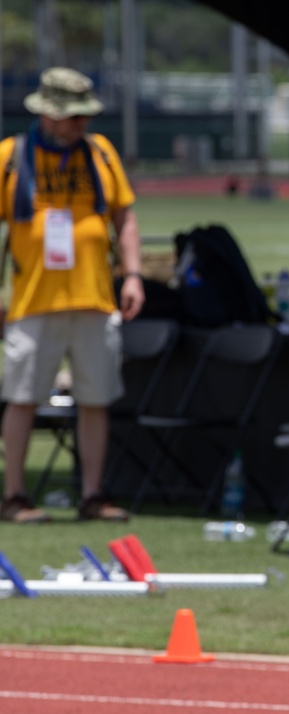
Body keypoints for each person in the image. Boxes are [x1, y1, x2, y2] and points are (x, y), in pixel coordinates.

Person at [0, 67, 144, 524]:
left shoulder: (100, 153)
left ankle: (93, 494)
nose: (81, 122)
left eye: (85, 114)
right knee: (22, 397)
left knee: (95, 399)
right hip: (32, 301)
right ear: (47, 114)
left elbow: (125, 218)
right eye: (72, 115)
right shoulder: (11, 155)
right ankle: (15, 496)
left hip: (94, 300)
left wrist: (134, 275)